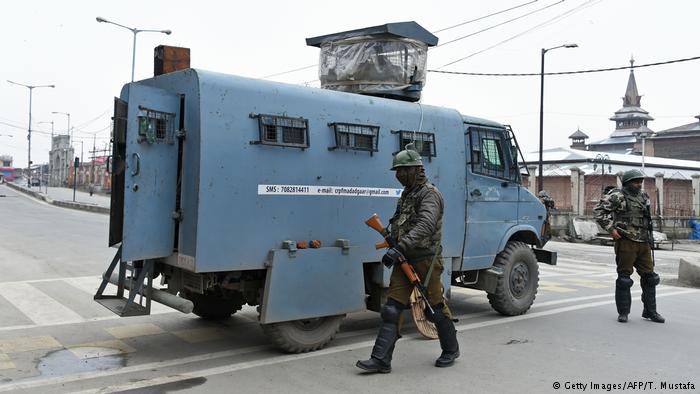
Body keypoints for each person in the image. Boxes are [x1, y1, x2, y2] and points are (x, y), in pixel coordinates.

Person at [356, 147, 459, 373]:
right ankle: (381, 360)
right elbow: (403, 221)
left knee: (434, 308)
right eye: (397, 171)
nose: (398, 175)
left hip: (426, 260)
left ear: (415, 170)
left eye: (402, 170)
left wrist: (400, 246)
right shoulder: (408, 193)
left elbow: (426, 224)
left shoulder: (430, 194)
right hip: (404, 258)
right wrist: (393, 239)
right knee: (392, 308)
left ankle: (451, 349)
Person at [594, 169, 665, 324]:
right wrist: (611, 229)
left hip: (643, 242)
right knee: (624, 278)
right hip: (626, 240)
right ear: (627, 182)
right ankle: (624, 312)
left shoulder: (643, 196)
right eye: (635, 182)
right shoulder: (617, 196)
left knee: (650, 278)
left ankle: (650, 311)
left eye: (640, 182)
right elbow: (599, 212)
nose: (638, 184)